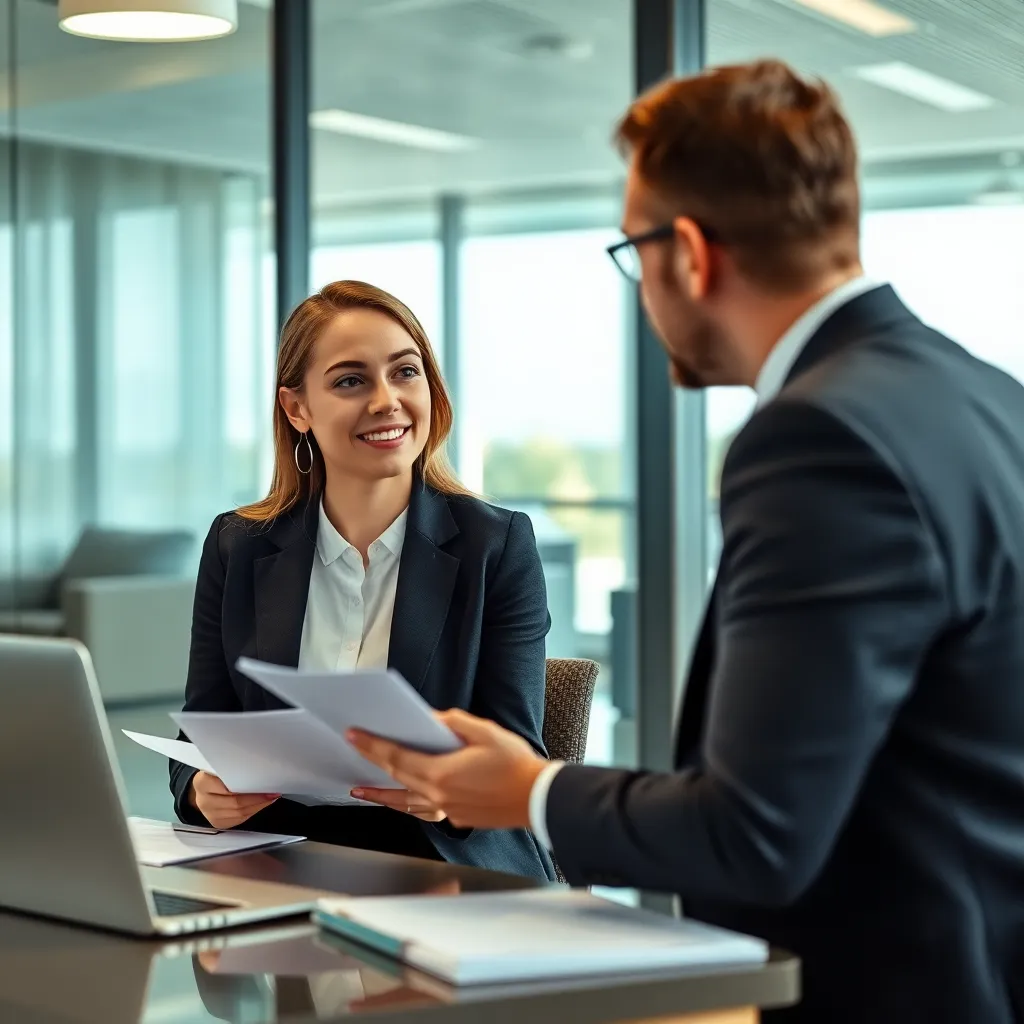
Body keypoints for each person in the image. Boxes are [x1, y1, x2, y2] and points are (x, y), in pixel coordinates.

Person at [347, 60, 1024, 1022]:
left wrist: (529, 789)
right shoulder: (988, 396)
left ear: (691, 255)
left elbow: (755, 832)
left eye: (633, 253)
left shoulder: (818, 440)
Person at [169, 280, 554, 882]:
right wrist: (201, 790)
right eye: (351, 381)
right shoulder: (238, 545)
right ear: (297, 409)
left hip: (438, 861)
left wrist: (453, 795)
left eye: (405, 372)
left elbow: (518, 756)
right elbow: (202, 727)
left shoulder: (496, 546)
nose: (386, 400)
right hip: (280, 859)